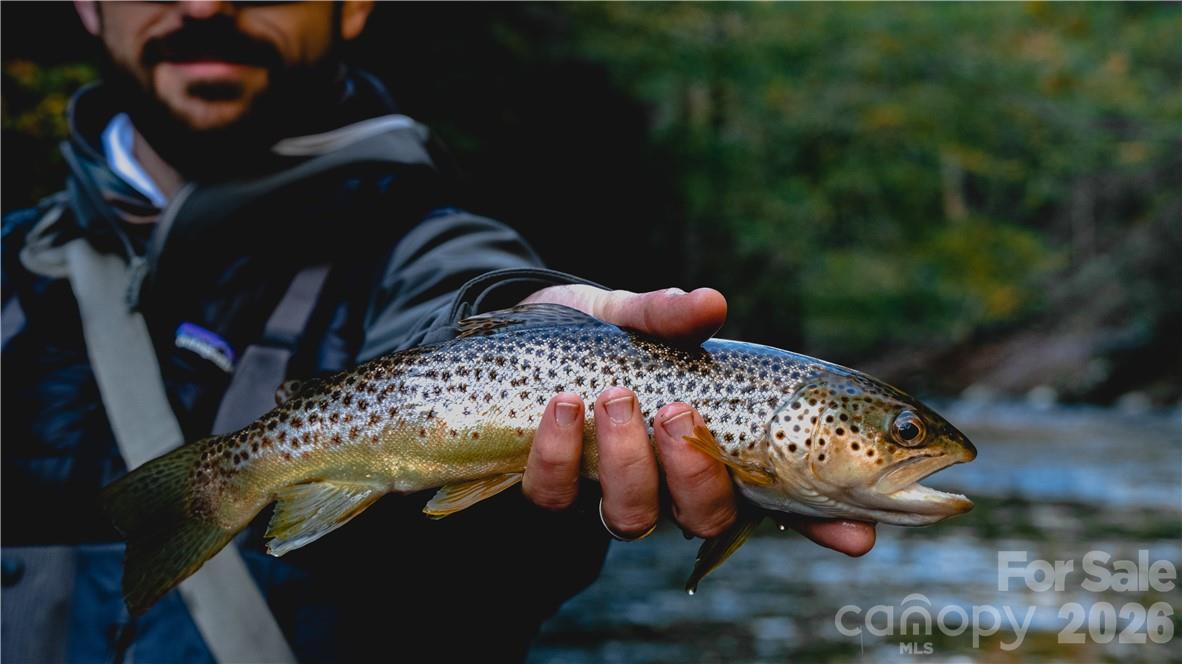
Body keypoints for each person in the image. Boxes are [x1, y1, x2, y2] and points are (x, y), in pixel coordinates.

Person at [1, 2, 875, 661]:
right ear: (86, 4)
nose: (203, 8)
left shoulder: (421, 242)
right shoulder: (12, 270)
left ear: (352, 6)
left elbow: (459, 289)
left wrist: (527, 326)